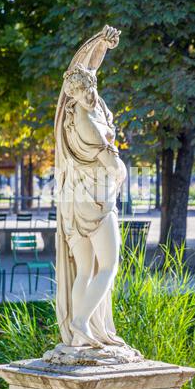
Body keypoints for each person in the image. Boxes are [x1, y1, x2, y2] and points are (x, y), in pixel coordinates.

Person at [55, 25, 127, 349]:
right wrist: (122, 174)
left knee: (85, 268)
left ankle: (76, 333)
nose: (91, 93)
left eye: (90, 86)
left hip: (75, 203)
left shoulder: (71, 114)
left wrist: (100, 43)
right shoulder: (88, 123)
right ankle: (82, 321)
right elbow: (114, 165)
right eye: (85, 90)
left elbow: (86, 67)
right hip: (96, 203)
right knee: (110, 265)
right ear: (77, 92)